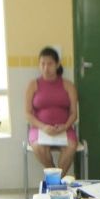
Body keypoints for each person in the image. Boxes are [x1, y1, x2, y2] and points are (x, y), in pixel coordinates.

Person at [25, 46, 78, 175]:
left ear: (57, 64)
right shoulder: (33, 85)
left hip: (64, 128)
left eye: (50, 64)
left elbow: (74, 113)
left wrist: (65, 126)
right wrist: (43, 127)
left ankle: (54, 182)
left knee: (71, 146)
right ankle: (55, 178)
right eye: (42, 64)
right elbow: (27, 113)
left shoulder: (68, 85)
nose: (46, 68)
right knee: (38, 147)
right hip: (40, 129)